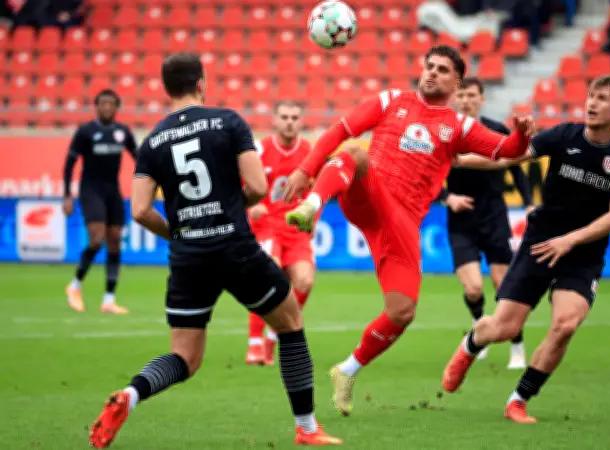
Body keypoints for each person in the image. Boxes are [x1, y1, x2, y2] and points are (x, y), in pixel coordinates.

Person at [87, 53, 342, 448]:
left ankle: (131, 394)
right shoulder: (228, 122)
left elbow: (139, 210)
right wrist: (229, 208)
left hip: (188, 258)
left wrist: (177, 234)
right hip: (234, 247)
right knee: (290, 323)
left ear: (165, 88)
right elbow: (258, 187)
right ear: (201, 84)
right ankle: (307, 428)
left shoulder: (153, 140)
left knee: (184, 358)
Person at [281, 45, 535, 417]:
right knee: (357, 152)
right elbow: (340, 129)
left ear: (456, 82)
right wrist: (306, 170)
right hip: (369, 196)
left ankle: (347, 370)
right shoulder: (391, 101)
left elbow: (506, 149)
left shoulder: (459, 126)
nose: (432, 72)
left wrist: (522, 135)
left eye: (443, 69)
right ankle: (312, 206)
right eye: (429, 66)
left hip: (402, 223)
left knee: (402, 312)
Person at [441, 75, 610, 424]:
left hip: (583, 252)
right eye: (591, 96)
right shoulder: (563, 135)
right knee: (504, 328)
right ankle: (470, 346)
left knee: (565, 325)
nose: (592, 103)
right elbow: (506, 158)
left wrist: (571, 240)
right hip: (541, 241)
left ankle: (518, 400)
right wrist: (457, 159)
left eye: (602, 99)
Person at [437, 77, 533, 369]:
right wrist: (448, 197)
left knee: (503, 287)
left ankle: (517, 346)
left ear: (482, 98)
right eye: (461, 95)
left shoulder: (497, 130)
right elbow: (427, 174)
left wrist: (528, 203)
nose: (466, 100)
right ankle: (480, 331)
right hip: (461, 219)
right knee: (473, 289)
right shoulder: (444, 133)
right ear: (454, 99)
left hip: (494, 215)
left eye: (471, 95)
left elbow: (516, 168)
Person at [246, 101, 316, 366]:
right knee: (269, 277)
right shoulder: (259, 149)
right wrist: (250, 205)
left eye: (294, 117)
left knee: (304, 282)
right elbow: (238, 182)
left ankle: (273, 337)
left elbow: (318, 189)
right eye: (284, 117)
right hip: (267, 226)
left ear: (301, 121)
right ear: (274, 120)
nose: (289, 122)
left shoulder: (310, 153)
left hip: (296, 228)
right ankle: (254, 343)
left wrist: (312, 217)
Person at [63, 89, 136, 315]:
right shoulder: (86, 131)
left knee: (114, 241)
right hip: (90, 190)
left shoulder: (123, 132)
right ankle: (75, 285)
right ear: (96, 107)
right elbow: (69, 164)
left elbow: (139, 157)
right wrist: (67, 195)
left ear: (117, 107)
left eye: (111, 104)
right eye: (102, 103)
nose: (106, 107)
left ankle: (109, 300)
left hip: (113, 190)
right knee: (97, 239)